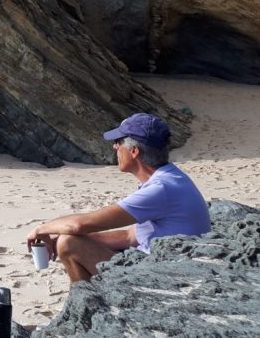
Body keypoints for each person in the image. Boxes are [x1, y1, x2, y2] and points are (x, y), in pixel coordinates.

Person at [26, 113, 210, 282]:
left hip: (168, 278)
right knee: (68, 238)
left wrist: (41, 229)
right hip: (170, 267)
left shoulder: (160, 189)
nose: (115, 147)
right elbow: (130, 236)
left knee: (69, 244)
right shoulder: (171, 178)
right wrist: (60, 234)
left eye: (119, 142)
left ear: (134, 151)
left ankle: (86, 305)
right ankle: (86, 302)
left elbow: (80, 224)